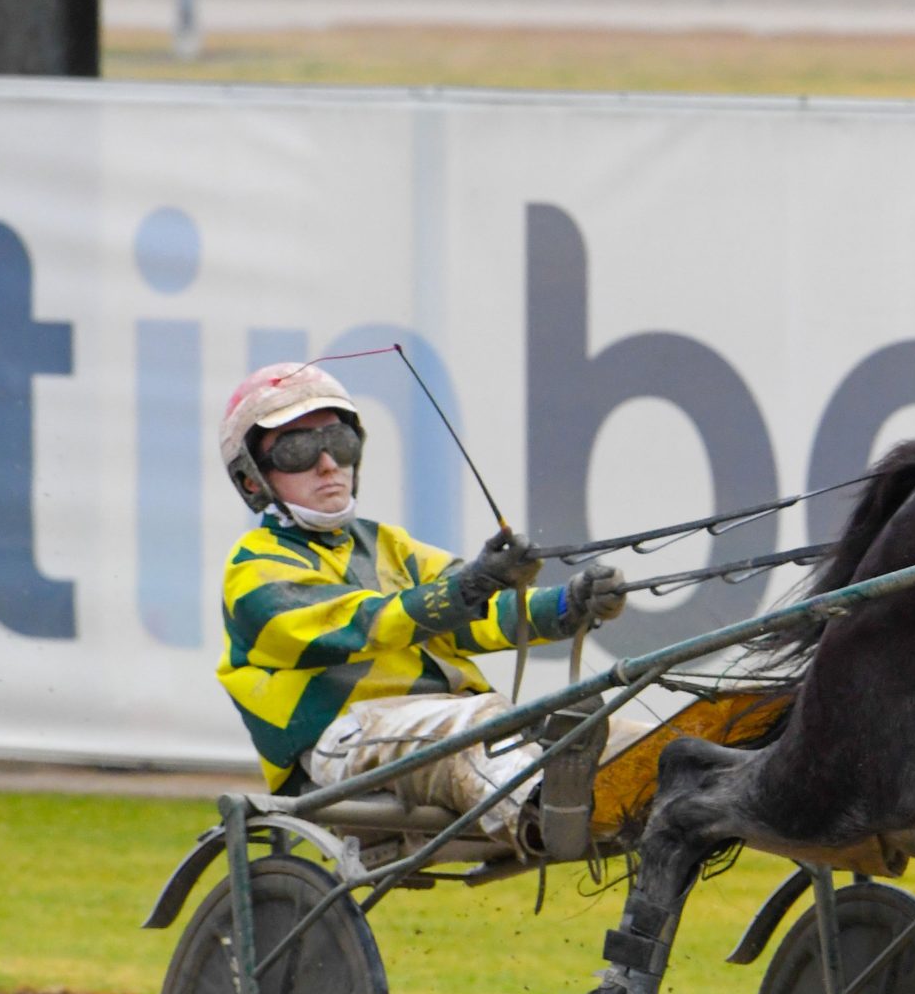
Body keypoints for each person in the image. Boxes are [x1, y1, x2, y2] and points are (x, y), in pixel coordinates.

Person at [214, 361, 640, 848]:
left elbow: (474, 619)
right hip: (341, 743)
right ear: (252, 480)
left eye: (340, 442)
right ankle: (547, 809)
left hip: (452, 724)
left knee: (637, 741)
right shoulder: (253, 569)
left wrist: (568, 604)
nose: (329, 464)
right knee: (484, 725)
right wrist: (466, 589)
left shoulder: (390, 545)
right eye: (298, 450)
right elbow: (362, 624)